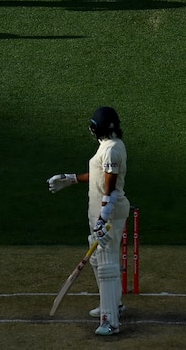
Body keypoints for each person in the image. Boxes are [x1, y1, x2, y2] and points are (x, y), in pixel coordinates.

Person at [47, 106, 130, 336]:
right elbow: (99, 176)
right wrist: (71, 179)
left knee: (106, 264)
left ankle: (110, 321)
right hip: (100, 213)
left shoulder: (113, 150)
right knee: (97, 259)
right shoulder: (107, 147)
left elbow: (111, 187)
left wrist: (104, 219)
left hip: (109, 214)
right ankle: (114, 304)